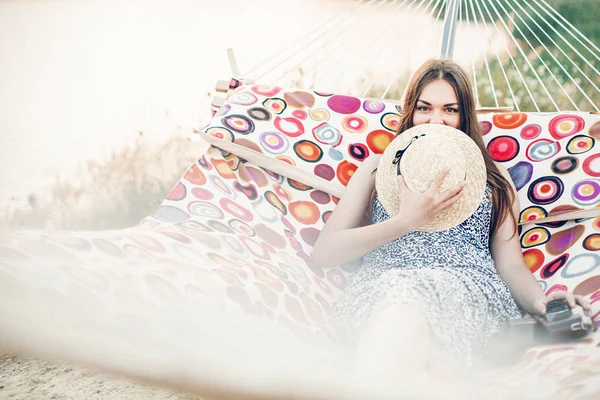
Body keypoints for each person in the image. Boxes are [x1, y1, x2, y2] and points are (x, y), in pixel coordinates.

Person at [310, 58, 590, 382]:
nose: (436, 120)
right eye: (424, 108)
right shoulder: (378, 169)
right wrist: (404, 221)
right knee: (406, 313)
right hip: (380, 288)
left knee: (410, 318)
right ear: (410, 112)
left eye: (450, 110)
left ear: (464, 115)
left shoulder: (492, 176)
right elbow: (325, 252)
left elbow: (511, 265)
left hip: (468, 288)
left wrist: (542, 302)